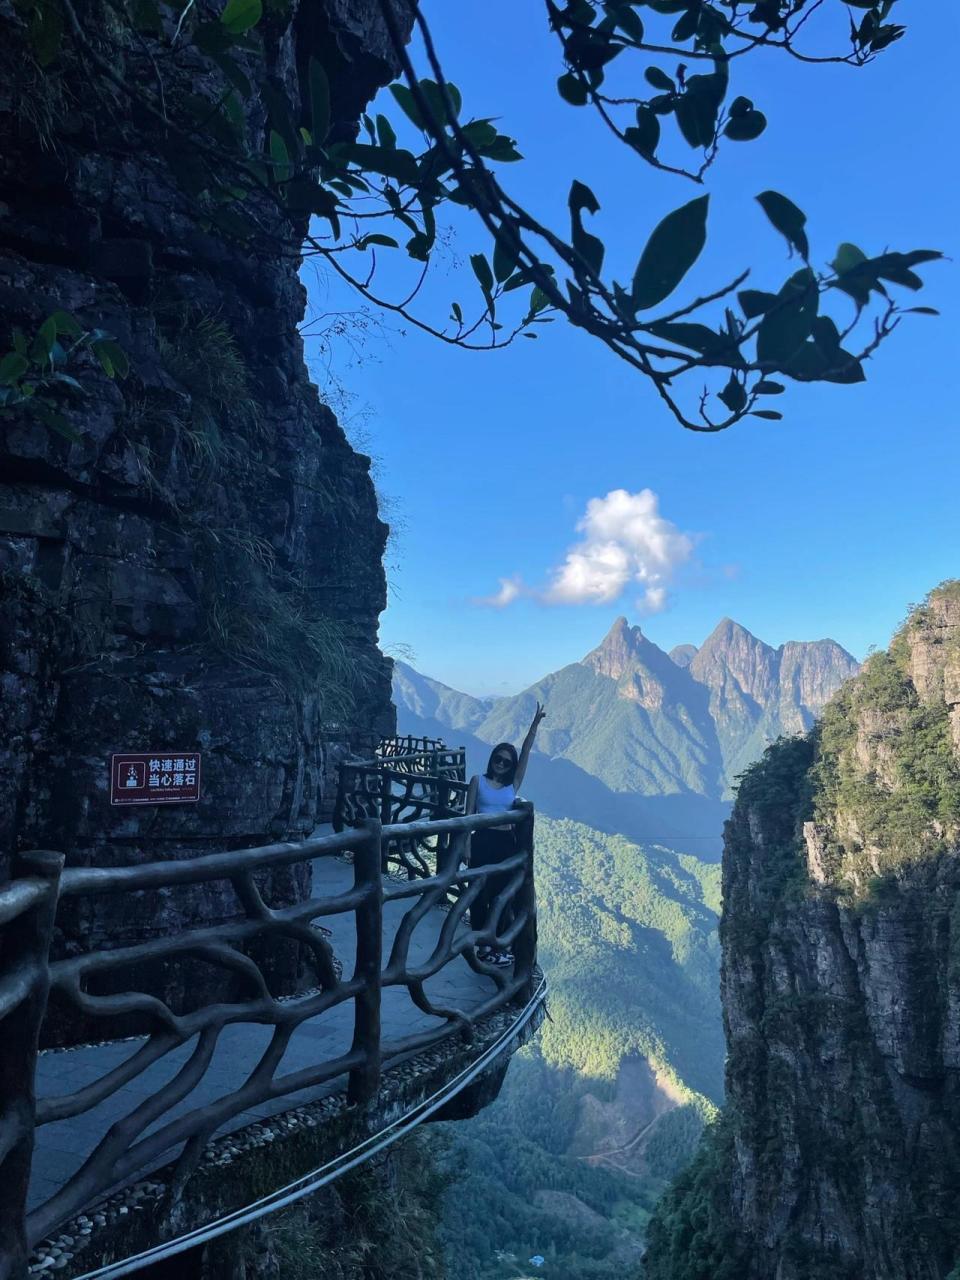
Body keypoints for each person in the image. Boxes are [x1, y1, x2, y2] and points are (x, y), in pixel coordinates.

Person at [465, 702, 546, 966]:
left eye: (506, 761)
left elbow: (525, 753)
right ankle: (482, 947)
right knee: (479, 894)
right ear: (492, 760)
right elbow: (467, 817)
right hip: (482, 841)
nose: (501, 764)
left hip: (506, 843)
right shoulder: (477, 781)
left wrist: (534, 726)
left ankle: (497, 945)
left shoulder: (513, 785)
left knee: (502, 896)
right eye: (497, 759)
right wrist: (465, 845)